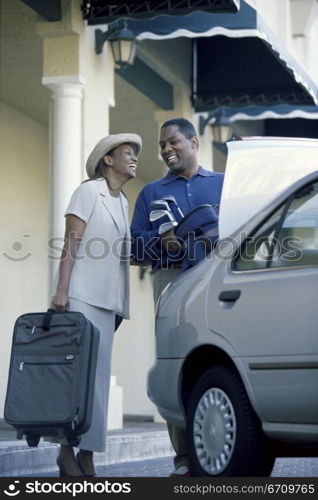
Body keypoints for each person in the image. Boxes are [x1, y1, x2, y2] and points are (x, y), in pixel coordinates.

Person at [130, 118, 224, 476]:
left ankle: (219, 452)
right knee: (176, 364)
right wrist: (162, 243)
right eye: (162, 146)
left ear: (194, 142)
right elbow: (134, 248)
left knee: (219, 358)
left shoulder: (223, 185)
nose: (167, 150)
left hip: (218, 279)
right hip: (171, 282)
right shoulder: (151, 192)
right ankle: (183, 459)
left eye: (173, 142)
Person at [50, 133, 142, 477]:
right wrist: (61, 291)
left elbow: (118, 253)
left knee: (99, 380)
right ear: (108, 159)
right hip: (82, 297)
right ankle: (65, 451)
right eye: (127, 153)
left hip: (109, 303)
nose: (134, 159)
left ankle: (88, 454)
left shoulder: (122, 201)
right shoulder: (89, 191)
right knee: (77, 378)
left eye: (135, 154)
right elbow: (70, 246)